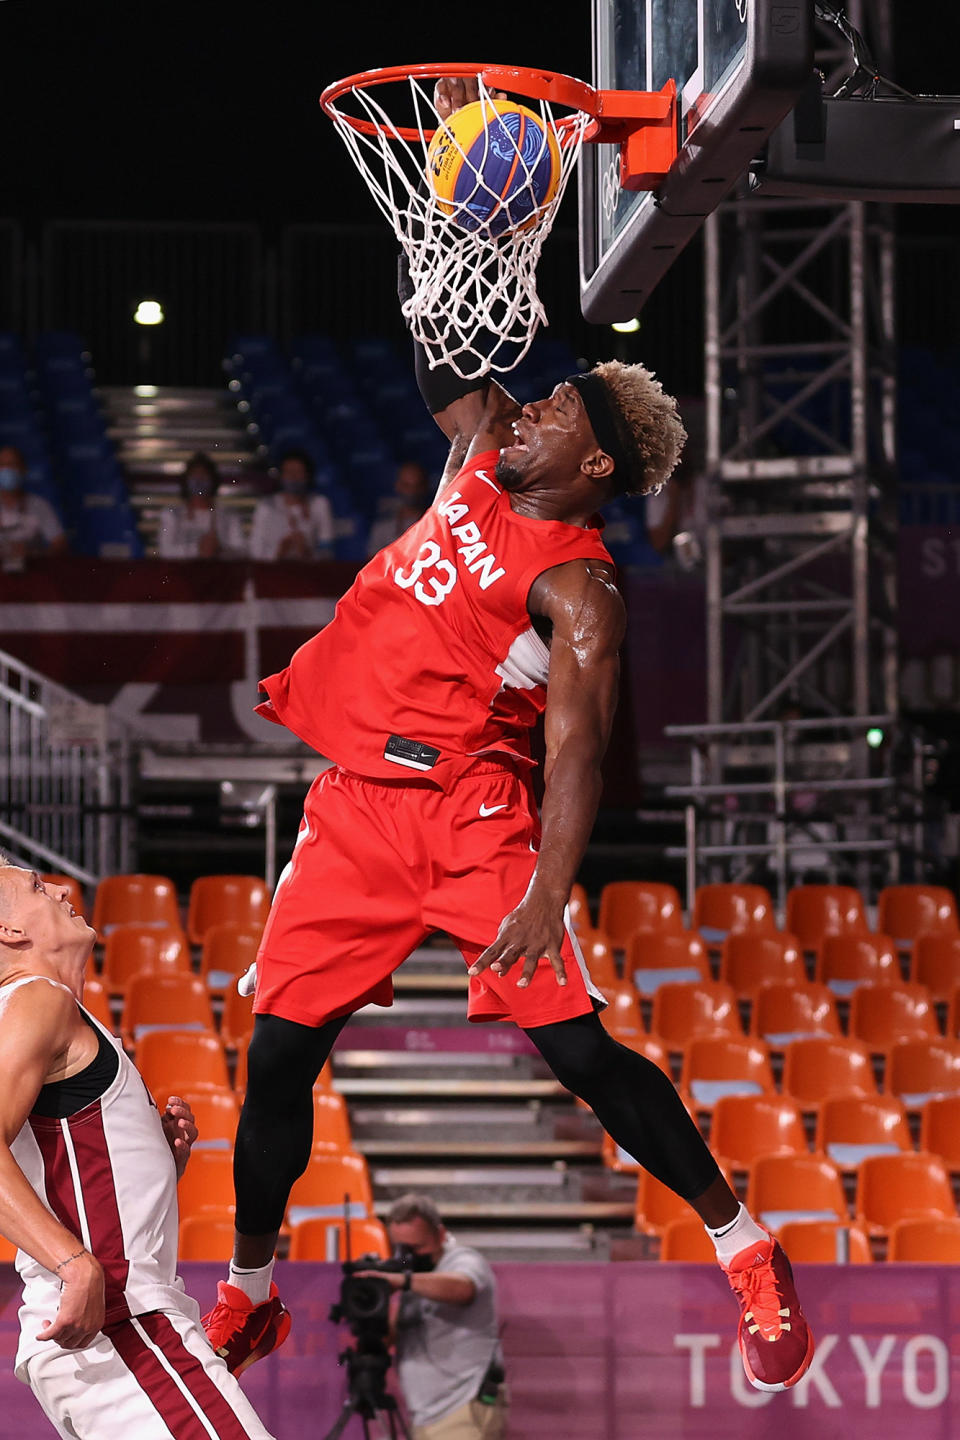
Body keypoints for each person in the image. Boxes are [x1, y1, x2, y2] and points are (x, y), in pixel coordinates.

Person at [204, 75, 814, 1399]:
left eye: (556, 413)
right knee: (276, 1062)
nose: (530, 409)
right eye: (534, 403)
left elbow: (581, 749)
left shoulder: (579, 577)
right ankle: (250, 1290)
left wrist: (549, 891)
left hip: (475, 814)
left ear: (596, 464)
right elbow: (448, 359)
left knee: (582, 1054)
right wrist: (456, 235)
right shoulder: (477, 455)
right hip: (358, 806)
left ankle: (749, 1249)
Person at [0, 859, 276, 1440]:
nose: (58, 889)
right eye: (34, 887)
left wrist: (154, 1163)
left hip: (106, 1336)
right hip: (123, 1328)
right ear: (10, 933)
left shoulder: (48, 1011)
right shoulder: (37, 999)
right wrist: (74, 1263)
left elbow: (69, 1172)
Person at [359, 1194, 506, 1440]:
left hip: (464, 1407)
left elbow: (464, 1288)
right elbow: (392, 1335)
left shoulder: (462, 1260)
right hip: (425, 1412)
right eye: (402, 1248)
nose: (410, 1256)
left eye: (417, 1247)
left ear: (439, 1234)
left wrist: (402, 1281)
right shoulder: (416, 1276)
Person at [248, 448, 335, 561]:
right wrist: (279, 553)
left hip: (309, 573)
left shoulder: (320, 504)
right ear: (281, 476)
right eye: (289, 472)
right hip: (271, 573)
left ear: (308, 475)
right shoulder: (265, 507)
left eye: (298, 472)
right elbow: (255, 552)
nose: (293, 478)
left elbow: (327, 551)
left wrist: (307, 553)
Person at [156, 451, 245, 560]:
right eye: (195, 475)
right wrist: (197, 549)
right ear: (186, 480)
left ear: (213, 480)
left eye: (203, 475)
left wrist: (220, 550)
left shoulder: (229, 515)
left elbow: (241, 552)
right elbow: (165, 551)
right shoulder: (171, 514)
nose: (199, 480)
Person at [0, 445, 67, 570]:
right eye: (2, 465)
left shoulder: (39, 505)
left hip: (30, 574)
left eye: (12, 464)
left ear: (23, 470)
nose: (6, 469)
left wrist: (34, 555)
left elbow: (60, 543)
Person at [367, 460, 432, 557]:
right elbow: (371, 565)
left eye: (417, 485)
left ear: (424, 487)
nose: (411, 491)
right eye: (407, 485)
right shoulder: (383, 527)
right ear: (398, 486)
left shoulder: (433, 524)